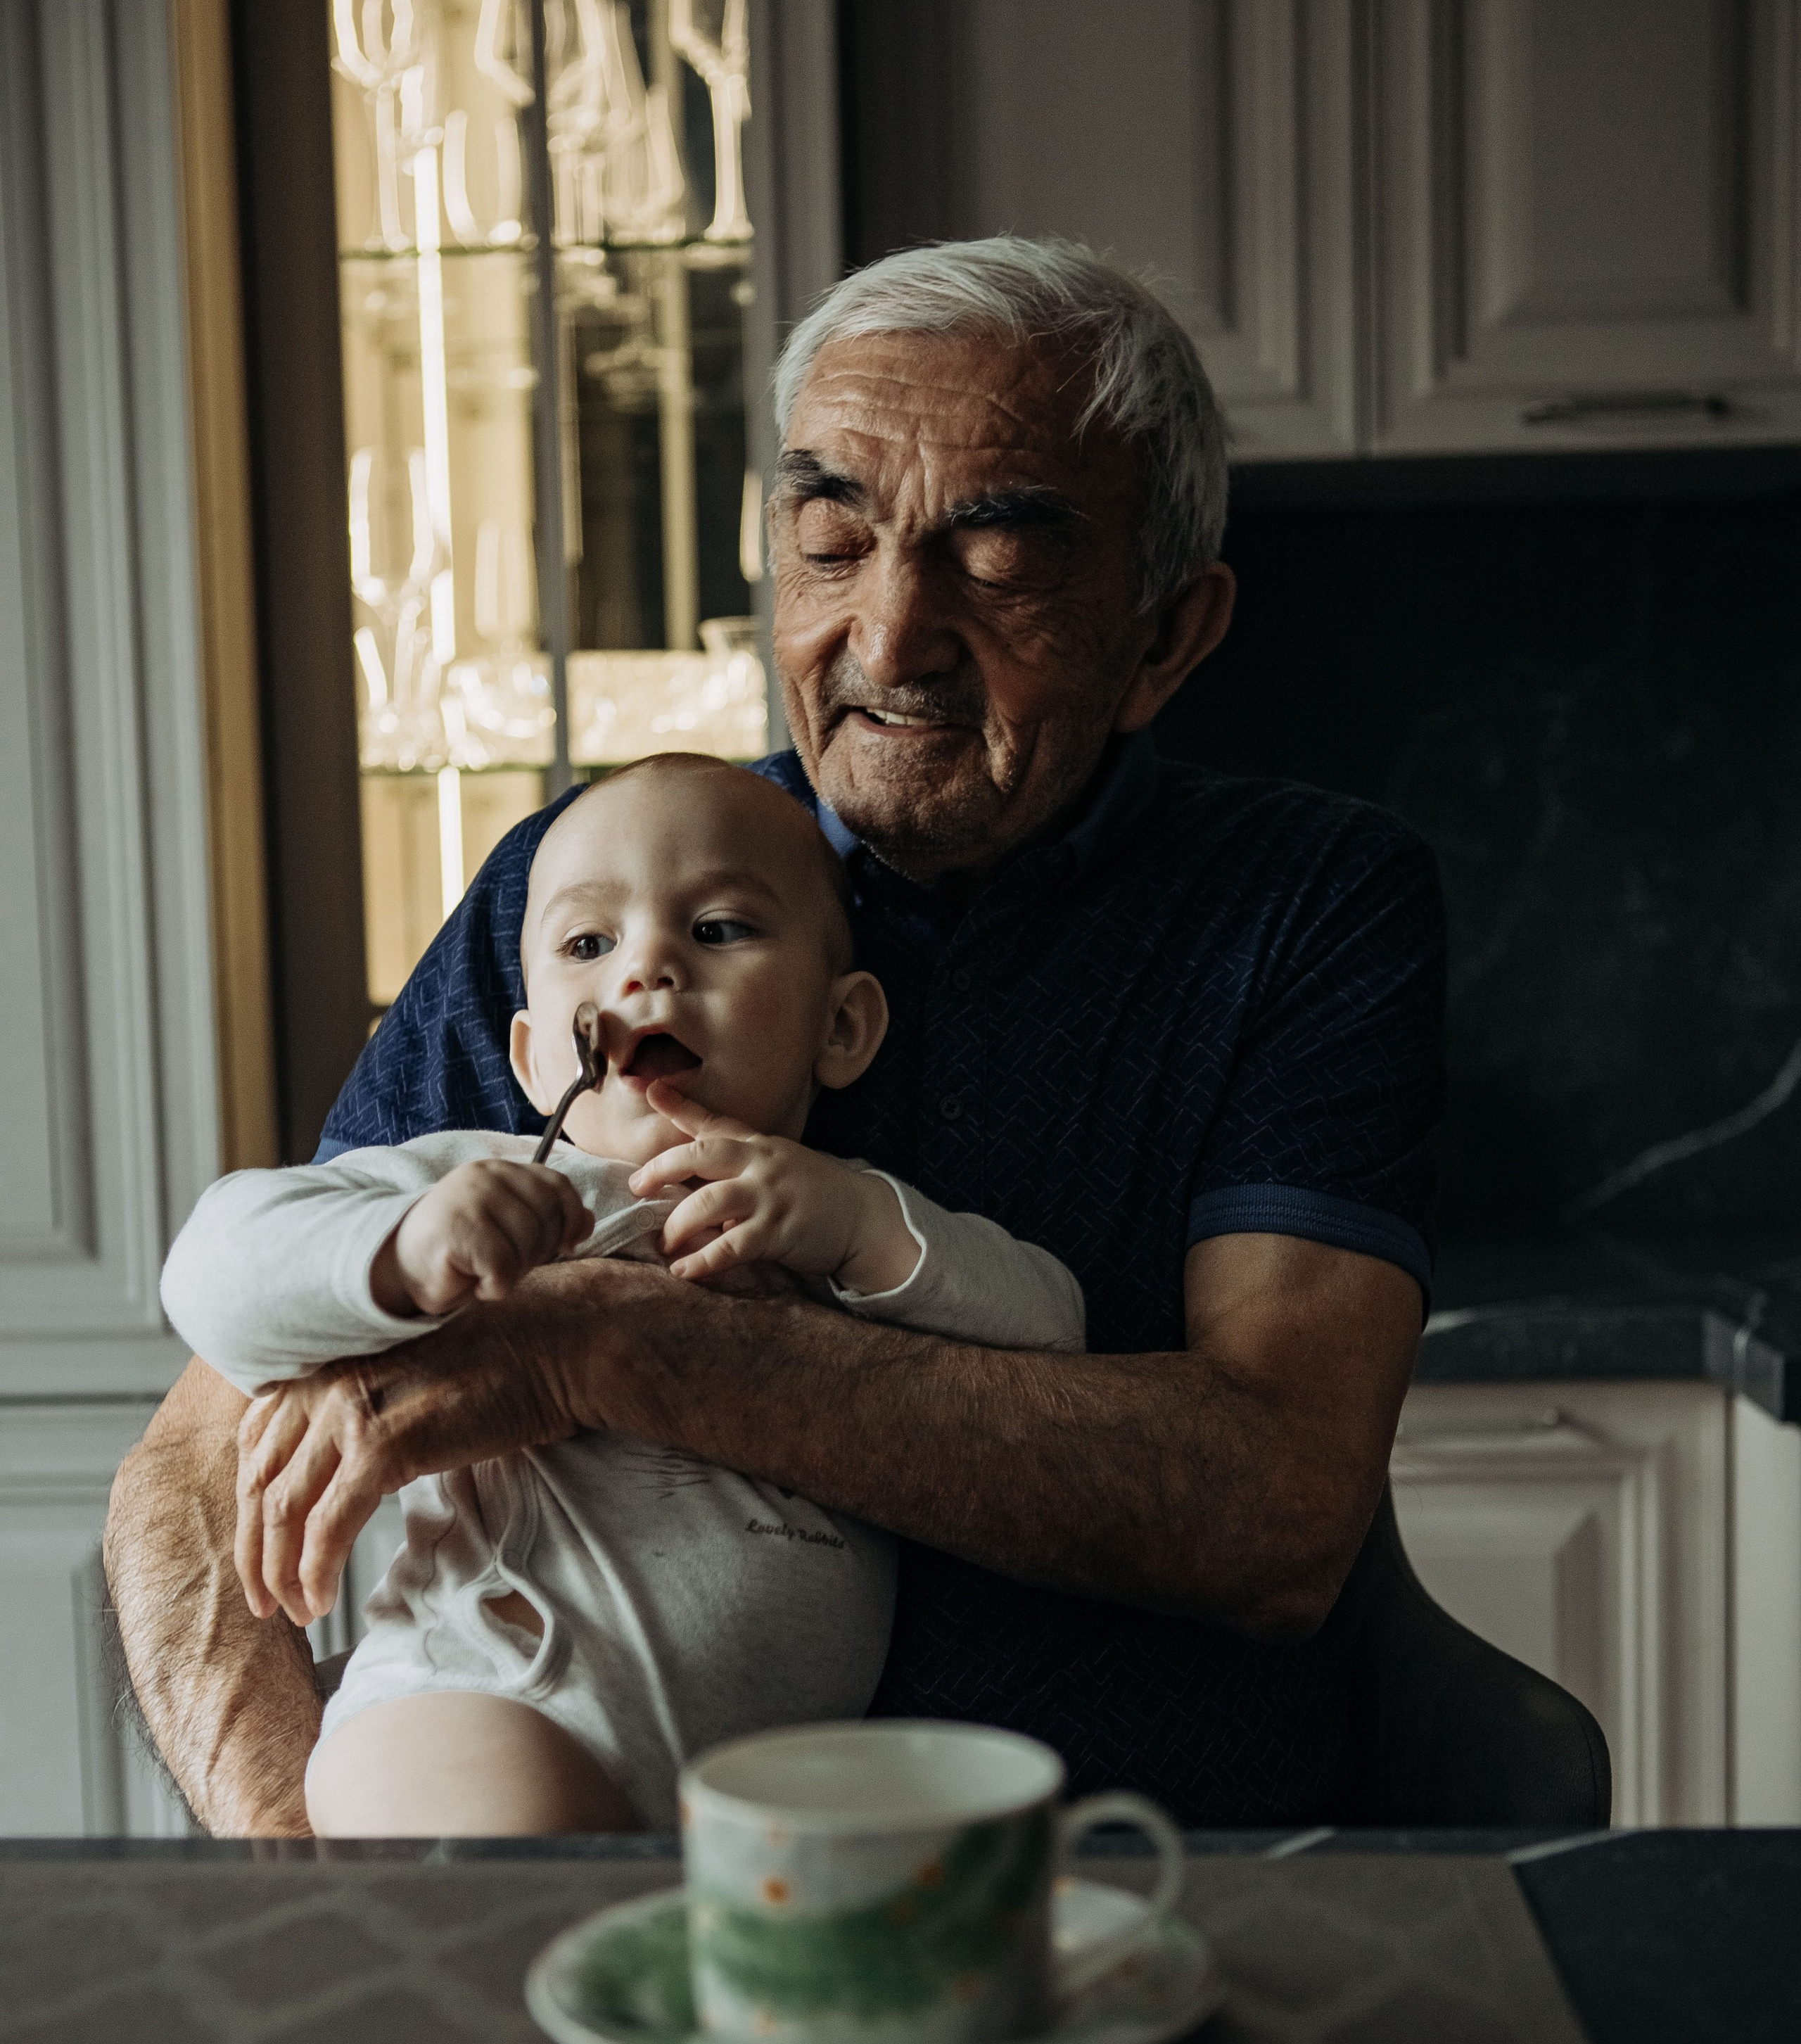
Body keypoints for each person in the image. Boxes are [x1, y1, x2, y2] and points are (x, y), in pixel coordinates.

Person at [108, 234, 1443, 1838]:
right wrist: (314, 1876)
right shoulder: (604, 884)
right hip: (559, 1891)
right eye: (830, 540)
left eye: (998, 560)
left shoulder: (1303, 904)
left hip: (1121, 1879)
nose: (886, 637)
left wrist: (594, 1348)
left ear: (1166, 634)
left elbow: (1271, 1511)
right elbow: (201, 1464)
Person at [157, 756, 1083, 1836]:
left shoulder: (846, 1219)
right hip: (489, 1703)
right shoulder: (479, 1179)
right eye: (589, 945)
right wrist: (405, 1252)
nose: (647, 966)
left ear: (843, 1031)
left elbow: (1051, 1333)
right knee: (503, 1919)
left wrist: (865, 1227)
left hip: (761, 1795)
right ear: (533, 1057)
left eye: (722, 929)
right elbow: (211, 1272)